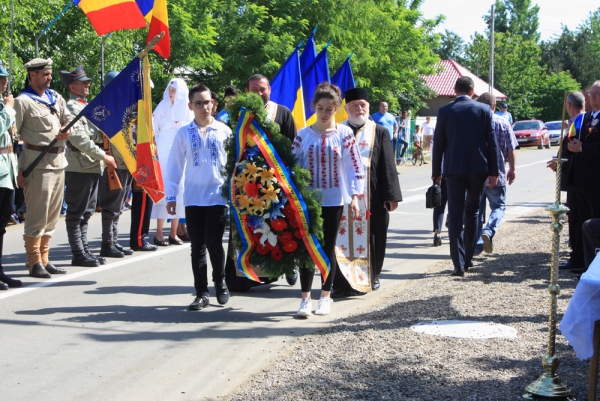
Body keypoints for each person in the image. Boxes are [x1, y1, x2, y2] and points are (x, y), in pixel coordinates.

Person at [292, 82, 364, 316]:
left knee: (327, 248)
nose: (324, 113)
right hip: (308, 202)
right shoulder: (303, 135)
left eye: (329, 108)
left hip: (333, 200)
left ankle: (325, 295)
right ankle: (305, 299)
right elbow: (292, 167)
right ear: (314, 107)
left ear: (336, 109)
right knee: (307, 248)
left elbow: (354, 166)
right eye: (320, 108)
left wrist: (354, 196)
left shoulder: (344, 135)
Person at [225, 74, 298, 291]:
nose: (258, 93)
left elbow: (293, 147)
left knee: (280, 226)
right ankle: (244, 275)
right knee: (248, 226)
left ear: (270, 89)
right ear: (247, 91)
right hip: (247, 180)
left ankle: (287, 266)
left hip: (278, 180)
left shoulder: (282, 113)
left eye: (262, 89)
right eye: (254, 89)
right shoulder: (239, 115)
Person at [165, 83, 231, 310]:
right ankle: (201, 293)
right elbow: (174, 166)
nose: (205, 107)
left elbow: (232, 165)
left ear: (213, 104)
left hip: (217, 197)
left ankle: (220, 281)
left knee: (214, 242)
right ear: (191, 106)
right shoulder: (184, 133)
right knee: (197, 246)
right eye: (199, 103)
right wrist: (171, 196)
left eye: (208, 102)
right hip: (193, 196)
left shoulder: (224, 131)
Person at [331, 87, 402, 297]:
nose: (359, 108)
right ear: (346, 108)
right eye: (355, 105)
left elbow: (388, 165)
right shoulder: (337, 129)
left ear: (368, 107)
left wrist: (392, 196)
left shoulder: (379, 131)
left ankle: (371, 276)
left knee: (374, 237)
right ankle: (341, 283)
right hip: (342, 196)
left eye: (363, 105)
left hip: (373, 195)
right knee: (339, 239)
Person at [14, 58, 77, 278]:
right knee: (37, 215)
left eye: (49, 73)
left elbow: (71, 121)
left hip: (59, 161)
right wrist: (17, 169)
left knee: (52, 215)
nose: (49, 78)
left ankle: (45, 259)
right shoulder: (23, 101)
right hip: (36, 163)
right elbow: (13, 136)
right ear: (33, 75)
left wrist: (66, 132)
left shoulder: (56, 97)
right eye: (45, 74)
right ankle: (33, 263)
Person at [432, 76, 499, 276]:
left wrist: (436, 172)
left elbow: (438, 144)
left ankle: (458, 264)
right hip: (478, 168)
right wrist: (494, 171)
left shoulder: (445, 111)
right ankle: (469, 257)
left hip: (453, 169)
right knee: (473, 212)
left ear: (455, 90)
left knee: (455, 213)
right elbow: (491, 143)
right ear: (472, 91)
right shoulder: (484, 110)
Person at [60, 65, 118, 267]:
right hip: (79, 165)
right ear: (72, 87)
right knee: (76, 212)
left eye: (87, 82)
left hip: (91, 165)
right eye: (82, 82)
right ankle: (78, 253)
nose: (87, 85)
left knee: (87, 212)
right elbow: (79, 139)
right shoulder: (72, 108)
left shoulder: (87, 105)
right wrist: (103, 156)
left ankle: (84, 251)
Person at [151, 78, 193, 246]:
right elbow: (154, 130)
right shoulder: (161, 108)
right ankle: (159, 232)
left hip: (182, 152)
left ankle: (174, 232)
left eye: (174, 90)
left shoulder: (188, 111)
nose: (171, 93)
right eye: (170, 89)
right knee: (164, 190)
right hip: (164, 151)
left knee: (180, 191)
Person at [563, 81, 600, 274]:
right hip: (579, 180)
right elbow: (572, 138)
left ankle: (593, 266)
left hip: (596, 182)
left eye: (596, 94)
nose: (592, 98)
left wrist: (583, 148)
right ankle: (580, 260)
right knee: (579, 221)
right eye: (590, 94)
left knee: (594, 223)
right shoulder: (584, 118)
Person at [97, 70, 134, 258]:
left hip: (126, 161)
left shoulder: (123, 106)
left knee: (118, 206)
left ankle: (114, 241)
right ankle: (107, 243)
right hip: (114, 161)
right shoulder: (104, 107)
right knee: (111, 206)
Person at [547, 92, 586, 270]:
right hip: (577, 179)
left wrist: (562, 162)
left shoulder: (578, 123)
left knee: (577, 218)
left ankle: (578, 256)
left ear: (569, 106)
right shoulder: (579, 121)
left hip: (578, 180)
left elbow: (573, 151)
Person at [475, 93, 517, 254]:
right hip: (496, 174)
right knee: (498, 207)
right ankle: (489, 230)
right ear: (494, 106)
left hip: (476, 175)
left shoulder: (473, 123)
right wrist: (512, 169)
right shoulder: (503, 122)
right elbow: (511, 148)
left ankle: (477, 244)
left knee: (476, 211)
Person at [0, 60, 22, 289]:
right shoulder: (4, 106)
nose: (4, 81)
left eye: (5, 76)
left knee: (1, 224)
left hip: (6, 171)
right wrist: (8, 108)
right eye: (0, 77)